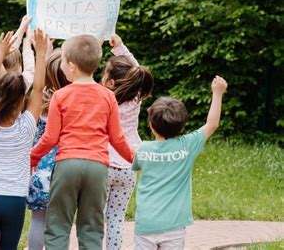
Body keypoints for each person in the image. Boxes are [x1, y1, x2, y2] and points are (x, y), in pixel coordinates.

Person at [30, 34, 134, 249]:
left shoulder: (60, 96)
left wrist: (32, 158)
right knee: (92, 228)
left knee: (58, 226)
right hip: (97, 167)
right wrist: (135, 159)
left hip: (67, 165)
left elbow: (50, 138)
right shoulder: (108, 96)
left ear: (71, 66)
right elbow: (117, 138)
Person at [132, 76, 228, 250]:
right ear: (182, 125)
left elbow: (135, 164)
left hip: (145, 224)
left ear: (151, 125)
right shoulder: (187, 146)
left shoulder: (143, 149)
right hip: (174, 225)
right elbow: (212, 124)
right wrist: (217, 93)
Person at [0, 29, 47, 250]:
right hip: (15, 199)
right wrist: (41, 53)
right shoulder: (27, 127)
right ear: (21, 100)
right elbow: (38, 89)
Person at [101, 34, 154, 250]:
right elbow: (137, 69)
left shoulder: (104, 98)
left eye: (104, 73)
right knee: (116, 218)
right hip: (128, 166)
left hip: (103, 165)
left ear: (111, 81)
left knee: (96, 218)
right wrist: (121, 47)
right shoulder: (136, 97)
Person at [26, 48, 70, 250]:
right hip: (65, 167)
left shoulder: (40, 98)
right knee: (61, 223)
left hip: (39, 167)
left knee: (37, 220)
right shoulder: (72, 99)